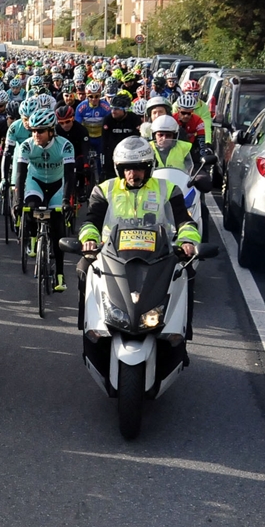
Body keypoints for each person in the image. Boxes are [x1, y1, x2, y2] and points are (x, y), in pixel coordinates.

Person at [77, 136, 200, 362]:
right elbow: (90, 222)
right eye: (127, 169)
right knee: (83, 269)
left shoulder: (168, 188)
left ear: (149, 167)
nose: (133, 174)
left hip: (158, 255)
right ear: (118, 169)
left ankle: (182, 337)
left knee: (188, 273)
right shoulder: (104, 189)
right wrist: (90, 241)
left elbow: (185, 222)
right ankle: (89, 331)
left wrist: (187, 242)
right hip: (111, 254)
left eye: (139, 168)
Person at [14, 108, 75, 291]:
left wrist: (66, 200)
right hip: (36, 182)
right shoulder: (26, 145)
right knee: (31, 207)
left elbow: (70, 175)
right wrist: (18, 200)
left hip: (58, 185)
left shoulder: (65, 145)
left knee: (57, 226)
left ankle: (60, 275)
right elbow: (20, 174)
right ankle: (34, 236)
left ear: (51, 131)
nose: (35, 134)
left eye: (40, 131)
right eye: (33, 130)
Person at [74, 81, 111, 182]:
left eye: (97, 96)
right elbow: (77, 126)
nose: (94, 99)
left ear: (100, 95)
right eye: (91, 96)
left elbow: (109, 124)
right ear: (87, 96)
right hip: (87, 137)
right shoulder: (81, 107)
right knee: (83, 161)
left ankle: (101, 179)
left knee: (101, 162)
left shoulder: (106, 107)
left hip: (100, 137)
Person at [100, 94, 141, 181]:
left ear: (125, 109)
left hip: (131, 153)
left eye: (117, 109)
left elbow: (139, 139)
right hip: (114, 153)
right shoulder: (108, 120)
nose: (113, 111)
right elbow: (104, 142)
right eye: (112, 108)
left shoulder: (134, 119)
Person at [54, 105, 91, 198]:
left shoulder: (81, 130)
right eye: (61, 123)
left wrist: (86, 164)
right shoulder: (56, 130)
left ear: (73, 118)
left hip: (78, 154)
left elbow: (85, 147)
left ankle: (81, 188)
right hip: (62, 156)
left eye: (67, 121)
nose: (65, 125)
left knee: (82, 168)